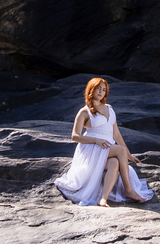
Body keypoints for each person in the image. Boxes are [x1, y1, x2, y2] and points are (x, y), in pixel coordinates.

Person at [55, 77, 153, 207]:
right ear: (91, 90)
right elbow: (75, 136)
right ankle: (129, 190)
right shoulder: (84, 112)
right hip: (91, 148)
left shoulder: (109, 108)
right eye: (98, 89)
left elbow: (116, 134)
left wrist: (128, 155)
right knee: (120, 150)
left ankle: (103, 199)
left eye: (104, 90)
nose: (101, 92)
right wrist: (96, 140)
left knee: (114, 162)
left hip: (107, 148)